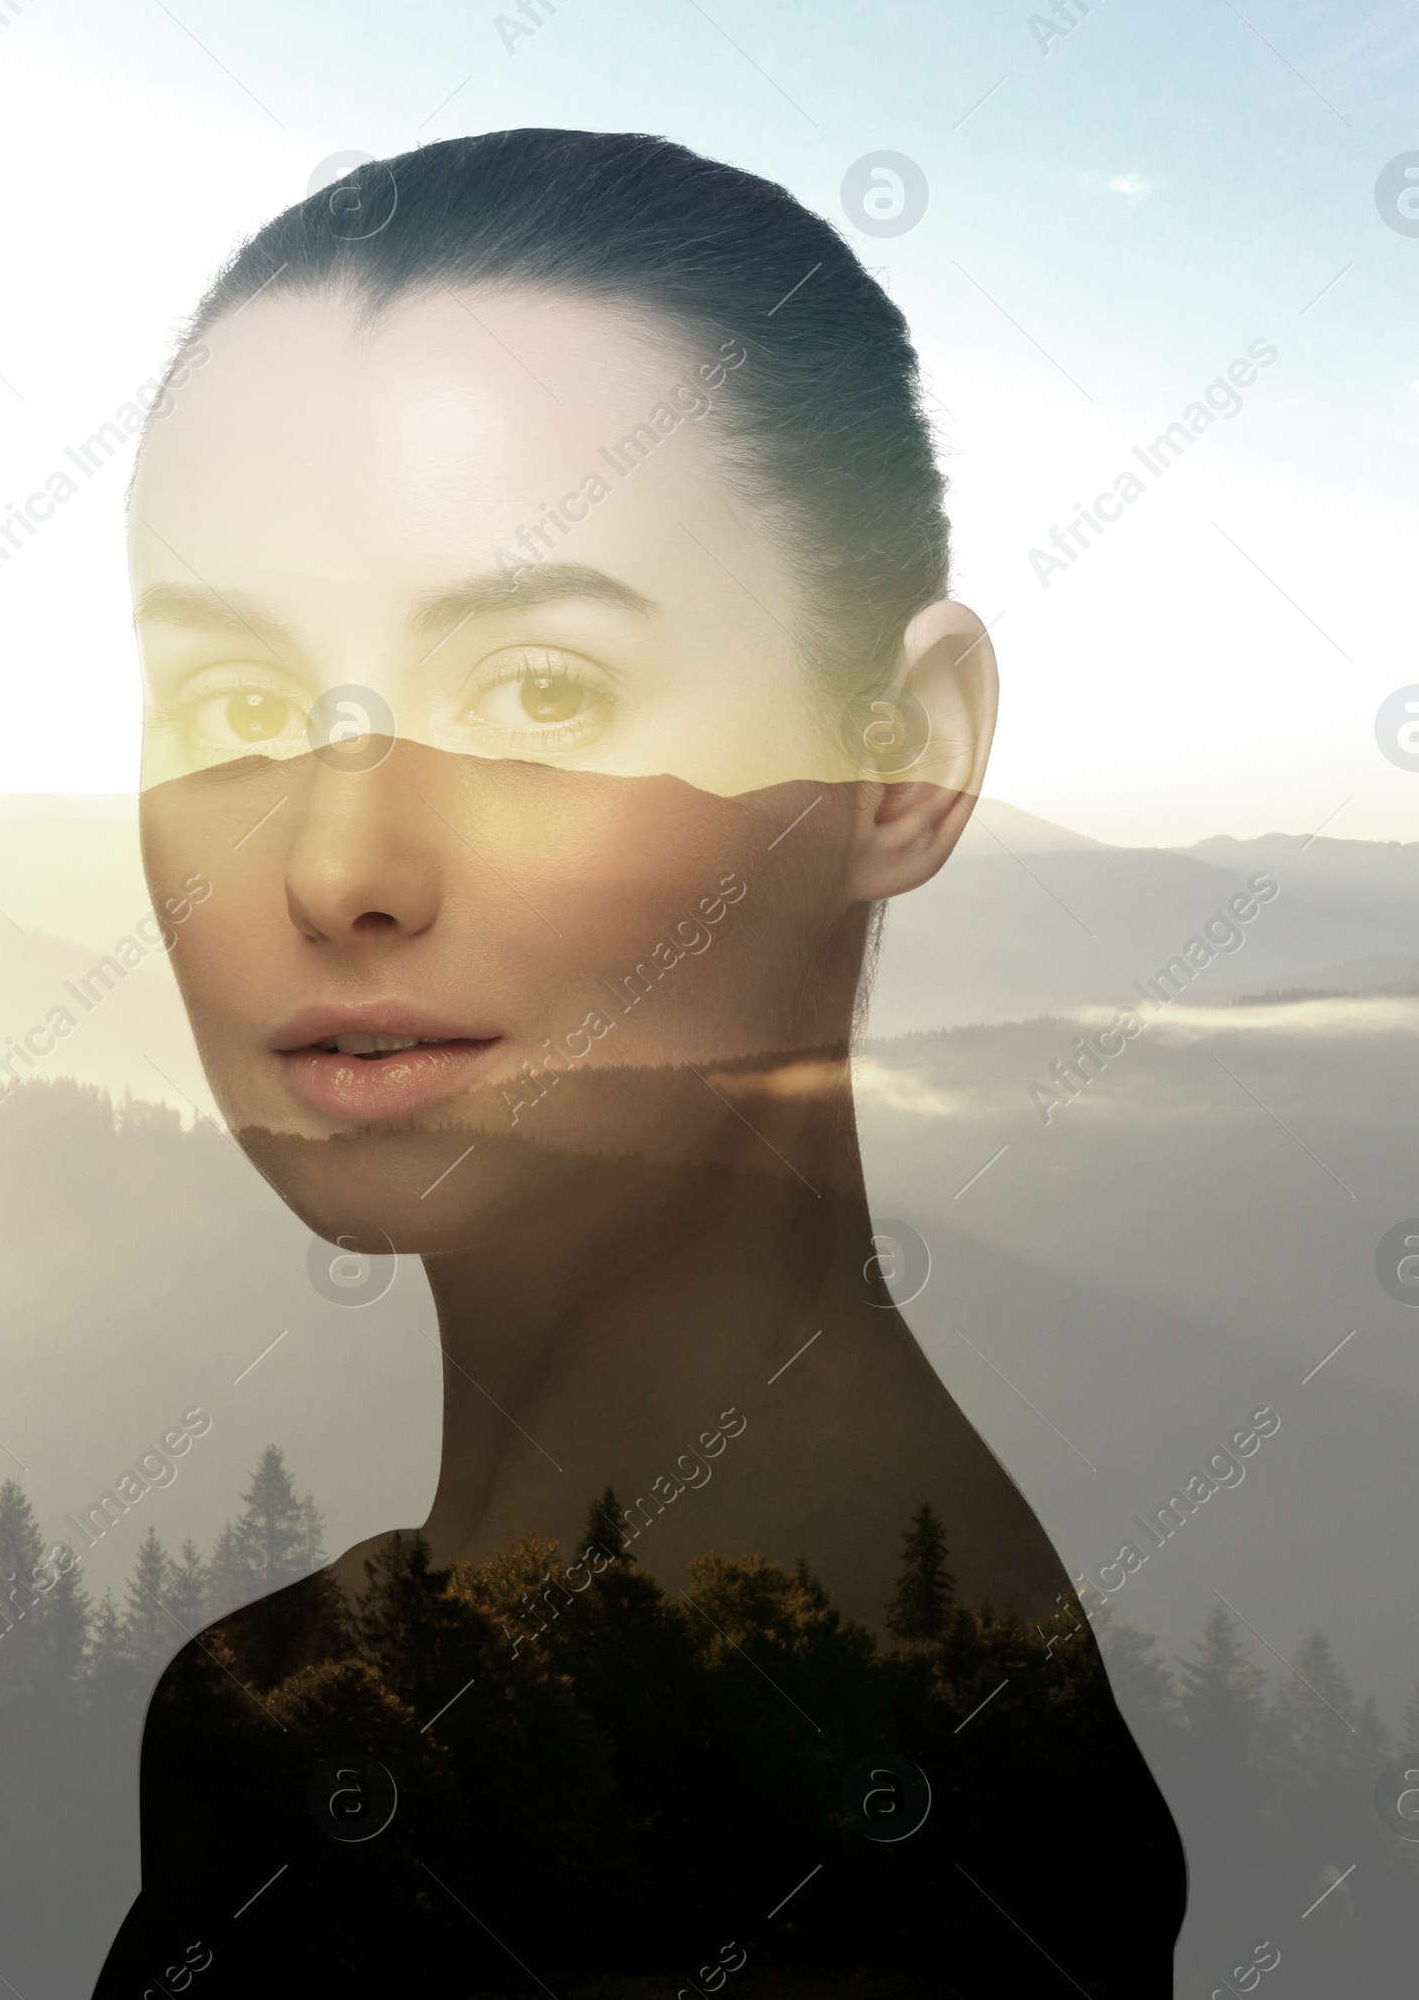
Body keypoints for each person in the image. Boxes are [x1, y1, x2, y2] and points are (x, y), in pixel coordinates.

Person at [94, 128, 1185, 1997]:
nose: (339, 869)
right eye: (239, 707)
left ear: (906, 757)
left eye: (539, 695)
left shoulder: (874, 1820)